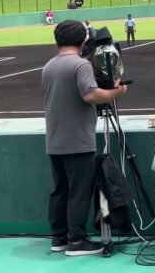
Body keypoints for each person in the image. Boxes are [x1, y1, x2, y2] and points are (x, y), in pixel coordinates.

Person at [42, 20, 128, 256]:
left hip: (55, 140)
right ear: (83, 42)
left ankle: (59, 238)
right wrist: (117, 91)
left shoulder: (49, 65)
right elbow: (91, 95)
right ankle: (77, 241)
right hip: (78, 141)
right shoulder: (80, 65)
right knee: (79, 192)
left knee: (60, 191)